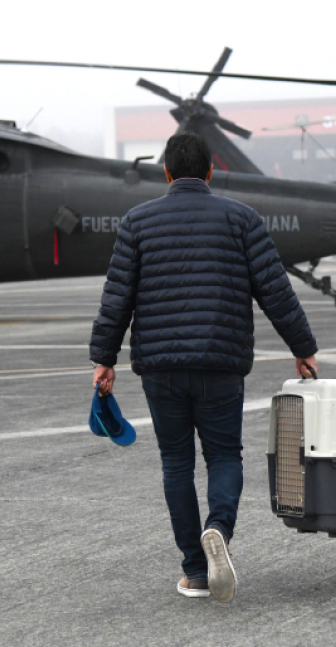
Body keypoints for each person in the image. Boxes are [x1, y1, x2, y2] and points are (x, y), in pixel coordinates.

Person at [89, 132, 319, 604]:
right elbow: (276, 291)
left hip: (160, 367)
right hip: (220, 361)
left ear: (167, 173)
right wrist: (303, 347)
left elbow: (117, 298)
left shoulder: (137, 223)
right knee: (224, 456)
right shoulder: (242, 219)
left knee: (176, 464)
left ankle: (195, 572)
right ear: (211, 172)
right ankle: (219, 529)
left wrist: (104, 359)